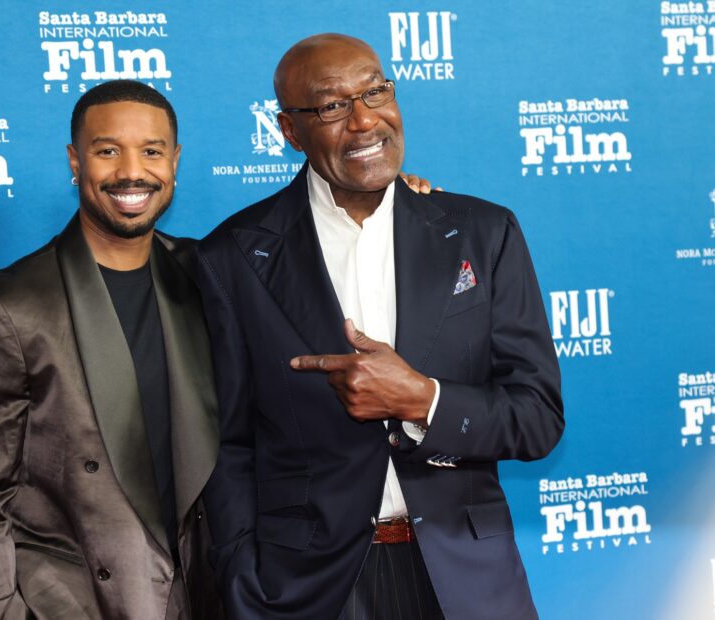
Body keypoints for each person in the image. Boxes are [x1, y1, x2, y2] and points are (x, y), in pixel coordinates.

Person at [196, 33, 564, 620]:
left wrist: (424, 400)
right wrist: (244, 582)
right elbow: (226, 447)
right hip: (309, 592)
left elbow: (538, 418)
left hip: (469, 583)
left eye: (375, 92)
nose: (365, 120)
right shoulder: (233, 257)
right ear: (289, 131)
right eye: (332, 105)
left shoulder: (483, 233)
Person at [0, 80, 222, 619]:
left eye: (151, 151)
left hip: (205, 596)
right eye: (108, 151)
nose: (132, 172)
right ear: (75, 161)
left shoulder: (207, 277)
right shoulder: (8, 306)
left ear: (175, 161)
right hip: (76, 602)